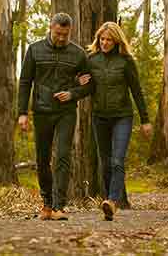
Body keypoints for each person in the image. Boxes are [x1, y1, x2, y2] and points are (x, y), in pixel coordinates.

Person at [17, 12, 92, 220]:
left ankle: (59, 206)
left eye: (65, 35)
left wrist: (72, 93)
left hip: (66, 112)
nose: (61, 38)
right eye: (58, 33)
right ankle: (47, 204)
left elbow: (89, 85)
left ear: (70, 32)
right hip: (41, 111)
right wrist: (22, 113)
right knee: (42, 159)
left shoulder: (78, 54)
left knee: (62, 156)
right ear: (51, 28)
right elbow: (25, 82)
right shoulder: (35, 50)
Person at [78, 21, 151, 221]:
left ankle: (112, 200)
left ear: (117, 41)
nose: (105, 42)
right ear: (98, 39)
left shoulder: (126, 61)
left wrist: (145, 120)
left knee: (117, 160)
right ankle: (109, 207)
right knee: (106, 163)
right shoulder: (91, 60)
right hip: (99, 117)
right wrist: (79, 81)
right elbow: (86, 87)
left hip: (122, 116)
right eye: (102, 39)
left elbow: (136, 90)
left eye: (109, 39)